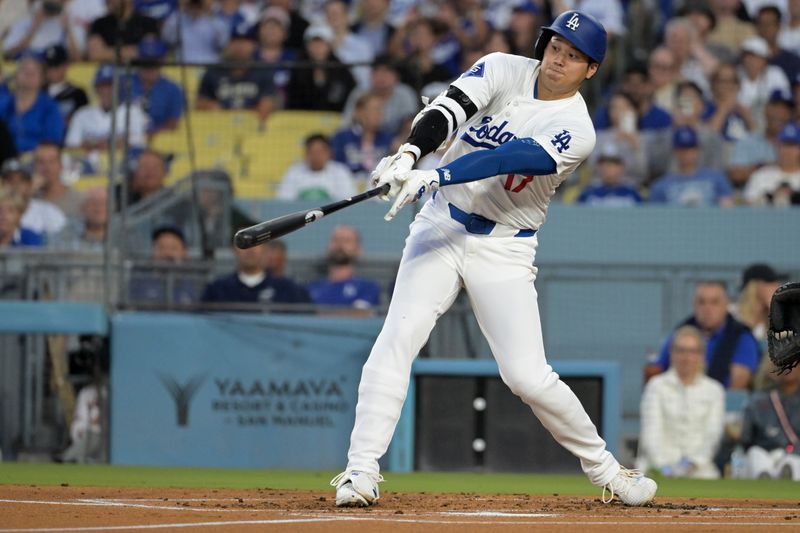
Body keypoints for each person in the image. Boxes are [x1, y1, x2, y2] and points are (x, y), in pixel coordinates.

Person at [329, 11, 658, 508]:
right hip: (440, 225)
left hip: (504, 246)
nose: (558, 61)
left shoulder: (577, 128)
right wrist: (410, 154)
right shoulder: (503, 67)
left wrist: (437, 175)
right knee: (397, 339)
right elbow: (450, 109)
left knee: (527, 376)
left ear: (591, 69)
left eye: (573, 57)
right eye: (555, 48)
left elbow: (512, 157)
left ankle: (609, 471)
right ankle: (360, 472)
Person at [637, 325, 726, 479]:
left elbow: (713, 435)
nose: (686, 357)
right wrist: (664, 467)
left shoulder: (714, 390)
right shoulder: (656, 386)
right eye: (681, 350)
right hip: (657, 470)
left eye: (692, 351)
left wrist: (691, 465)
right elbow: (651, 432)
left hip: (701, 471)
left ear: (701, 355)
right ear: (672, 353)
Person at [645, 281, 761, 390]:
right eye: (702, 302)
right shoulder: (680, 334)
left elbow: (737, 385)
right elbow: (658, 371)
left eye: (714, 302)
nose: (707, 308)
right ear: (694, 305)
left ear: (726, 305)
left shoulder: (742, 337)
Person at [196, 21, 276, 122]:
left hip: (254, 129)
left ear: (254, 45)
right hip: (219, 128)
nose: (240, 46)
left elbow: (266, 106)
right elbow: (200, 103)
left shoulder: (263, 71)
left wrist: (236, 116)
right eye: (236, 40)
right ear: (229, 44)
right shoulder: (213, 71)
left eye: (245, 41)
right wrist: (210, 106)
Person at [65, 64, 149, 155]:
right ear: (96, 89)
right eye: (102, 86)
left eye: (111, 86)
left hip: (122, 165)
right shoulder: (82, 114)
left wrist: (102, 144)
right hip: (89, 166)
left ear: (119, 88)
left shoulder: (133, 112)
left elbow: (139, 144)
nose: (106, 91)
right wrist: (105, 144)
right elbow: (71, 147)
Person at [738, 362, 800, 479]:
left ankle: (785, 472)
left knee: (793, 463)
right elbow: (746, 439)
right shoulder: (757, 400)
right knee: (755, 454)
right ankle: (765, 476)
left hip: (795, 455)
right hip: (763, 454)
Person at [201, 240, 311, 305]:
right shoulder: (216, 290)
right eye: (243, 242)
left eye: (256, 241)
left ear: (265, 249)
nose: (250, 249)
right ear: (233, 249)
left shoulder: (290, 290)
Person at [648, 126, 734, 206]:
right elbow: (655, 218)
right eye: (683, 149)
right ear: (675, 151)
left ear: (698, 150)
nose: (687, 154)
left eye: (691, 148)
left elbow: (728, 212)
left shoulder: (716, 179)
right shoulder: (660, 186)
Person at [307, 224, 381, 311]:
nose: (340, 245)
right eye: (336, 240)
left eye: (347, 241)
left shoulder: (368, 288)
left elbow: (361, 316)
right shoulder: (311, 288)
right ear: (327, 248)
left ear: (358, 250)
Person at [341, 55, 420, 137]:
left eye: (386, 72)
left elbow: (412, 124)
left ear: (396, 76)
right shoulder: (359, 93)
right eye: (377, 71)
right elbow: (347, 122)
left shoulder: (405, 94)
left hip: (397, 143)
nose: (381, 76)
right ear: (371, 75)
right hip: (363, 140)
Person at [0, 55, 65, 153]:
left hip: (37, 160)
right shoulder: (4, 103)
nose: (29, 74)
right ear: (16, 75)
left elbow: (53, 141)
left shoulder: (50, 107)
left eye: (34, 72)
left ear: (42, 79)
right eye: (25, 70)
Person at [285, 24, 357, 112]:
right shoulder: (298, 70)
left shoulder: (341, 70)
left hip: (335, 120)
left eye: (322, 43)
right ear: (307, 46)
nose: (318, 47)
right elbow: (292, 101)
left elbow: (350, 96)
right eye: (314, 43)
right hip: (303, 120)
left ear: (330, 46)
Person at [129, 225, 202, 305]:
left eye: (173, 248)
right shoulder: (139, 280)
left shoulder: (197, 281)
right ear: (153, 252)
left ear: (184, 253)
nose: (167, 253)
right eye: (161, 248)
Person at [331, 92, 393, 183]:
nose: (379, 114)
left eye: (381, 110)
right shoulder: (341, 138)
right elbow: (335, 169)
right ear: (359, 112)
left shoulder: (388, 138)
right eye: (375, 110)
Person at [277, 133, 357, 200]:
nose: (316, 156)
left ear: (329, 153)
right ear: (305, 154)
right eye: (312, 152)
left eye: (320, 152)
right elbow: (284, 202)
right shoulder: (293, 173)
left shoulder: (340, 172)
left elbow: (348, 202)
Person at [130, 37, 184, 135]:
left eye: (154, 63)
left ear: (162, 62)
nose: (149, 67)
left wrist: (148, 135)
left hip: (159, 141)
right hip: (125, 139)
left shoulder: (173, 90)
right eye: (145, 62)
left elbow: (173, 124)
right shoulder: (124, 83)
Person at [1, 159, 66, 238]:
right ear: (2, 184)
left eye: (21, 181)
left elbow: (62, 241)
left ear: (29, 185)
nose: (15, 186)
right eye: (10, 181)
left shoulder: (47, 211)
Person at [2, 0, 84, 60]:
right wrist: (33, 28)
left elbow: (77, 59)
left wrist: (68, 30)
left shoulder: (70, 25)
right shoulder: (24, 22)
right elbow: (7, 55)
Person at [743, 121, 800, 206]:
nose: (788, 151)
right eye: (784, 145)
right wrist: (770, 198)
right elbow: (748, 207)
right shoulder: (761, 175)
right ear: (777, 146)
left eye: (792, 145)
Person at [87, 0, 159, 62]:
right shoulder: (99, 23)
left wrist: (107, 52)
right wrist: (131, 51)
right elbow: (95, 55)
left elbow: (149, 51)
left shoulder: (148, 23)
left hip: (139, 74)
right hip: (107, 74)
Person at [161, 0, 230, 63]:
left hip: (209, 68)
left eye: (198, 6)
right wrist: (181, 8)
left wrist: (209, 11)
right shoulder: (179, 18)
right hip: (184, 68)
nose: (195, 8)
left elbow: (223, 43)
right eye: (193, 5)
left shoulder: (215, 20)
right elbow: (167, 38)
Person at [577, 143, 642, 207]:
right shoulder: (589, 193)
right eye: (603, 164)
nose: (607, 167)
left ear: (622, 167)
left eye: (613, 164)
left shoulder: (631, 193)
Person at [42, 44, 89, 127]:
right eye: (48, 66)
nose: (51, 70)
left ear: (66, 66)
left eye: (56, 65)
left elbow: (82, 121)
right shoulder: (37, 91)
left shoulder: (78, 94)